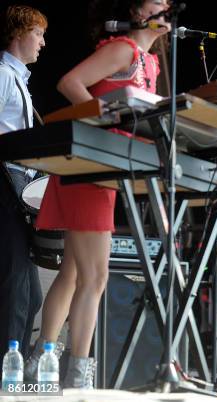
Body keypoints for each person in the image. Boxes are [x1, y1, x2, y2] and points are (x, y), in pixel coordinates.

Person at [23, 0, 169, 388]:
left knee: (73, 273)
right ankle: (78, 374)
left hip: (104, 170)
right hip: (89, 166)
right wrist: (106, 115)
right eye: (159, 1)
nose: (168, 6)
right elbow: (69, 83)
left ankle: (42, 361)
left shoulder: (152, 64)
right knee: (95, 277)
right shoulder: (124, 49)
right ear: (138, 13)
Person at [0, 4, 47, 361]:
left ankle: (14, 364)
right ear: (18, 33)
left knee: (31, 295)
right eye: (38, 34)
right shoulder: (2, 75)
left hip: (18, 186)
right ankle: (8, 376)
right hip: (4, 184)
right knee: (16, 288)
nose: (42, 43)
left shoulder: (18, 80)